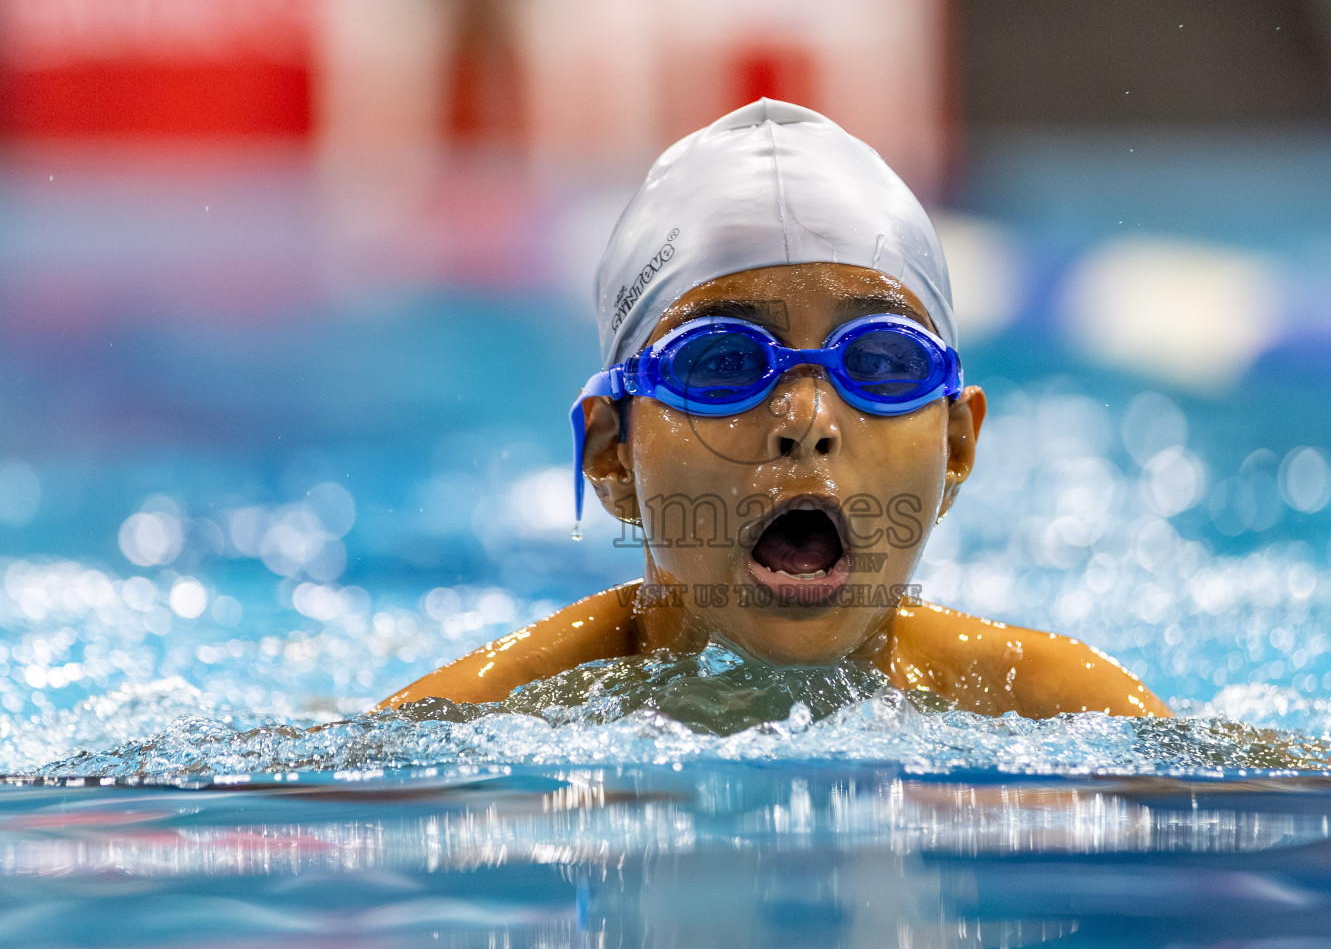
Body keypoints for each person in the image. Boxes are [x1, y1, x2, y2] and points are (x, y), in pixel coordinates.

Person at [379, 99, 1168, 719]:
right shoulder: (474, 725)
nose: (808, 421)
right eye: (724, 364)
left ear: (958, 446)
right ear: (612, 454)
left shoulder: (1062, 711)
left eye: (879, 364)